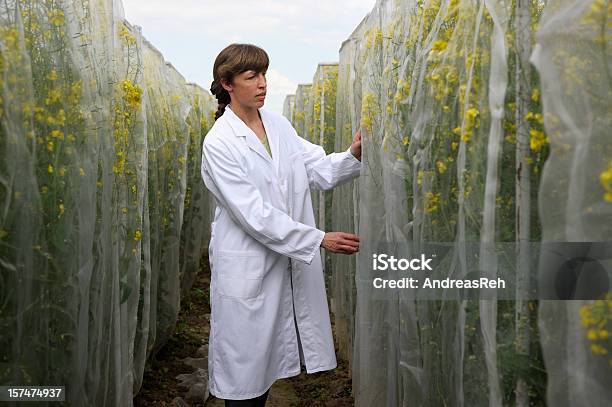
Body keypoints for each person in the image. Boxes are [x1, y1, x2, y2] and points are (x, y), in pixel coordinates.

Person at [201, 43, 362, 407]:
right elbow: (253, 214)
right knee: (244, 378)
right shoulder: (220, 142)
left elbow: (316, 168)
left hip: (279, 262)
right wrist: (318, 238)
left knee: (270, 365)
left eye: (263, 74)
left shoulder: (278, 125)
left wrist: (353, 156)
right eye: (251, 76)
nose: (262, 84)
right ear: (227, 84)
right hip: (248, 265)